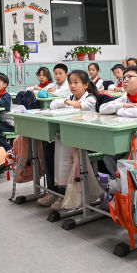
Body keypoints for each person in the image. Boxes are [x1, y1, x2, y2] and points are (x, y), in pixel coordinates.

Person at [39, 70, 98, 209]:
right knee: (49, 148)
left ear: (86, 85)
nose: (72, 86)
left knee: (61, 150)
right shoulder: (70, 97)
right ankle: (53, 191)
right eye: (70, 82)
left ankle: (63, 194)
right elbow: (53, 104)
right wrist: (67, 101)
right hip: (71, 136)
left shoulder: (90, 99)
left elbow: (81, 107)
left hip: (86, 139)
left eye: (76, 82)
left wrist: (69, 103)